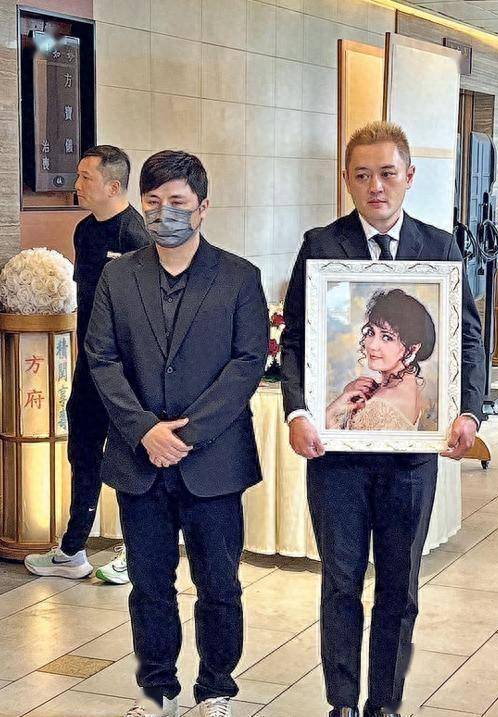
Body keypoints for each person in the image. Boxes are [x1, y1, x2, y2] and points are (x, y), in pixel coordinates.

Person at [281, 121, 485, 717]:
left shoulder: (440, 248)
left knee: (400, 587)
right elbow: (295, 342)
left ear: (409, 177)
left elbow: (468, 342)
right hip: (337, 461)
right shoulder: (320, 244)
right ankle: (342, 703)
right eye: (363, 175)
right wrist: (299, 410)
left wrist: (468, 411)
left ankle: (385, 704)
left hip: (411, 461)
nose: (376, 186)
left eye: (387, 173)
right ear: (347, 179)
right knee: (340, 583)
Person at [84, 150, 268, 717]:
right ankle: (157, 690)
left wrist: (186, 434)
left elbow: (248, 362)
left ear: (203, 208)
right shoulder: (118, 276)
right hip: (139, 461)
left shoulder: (239, 277)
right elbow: (101, 358)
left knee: (219, 587)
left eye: (178, 202)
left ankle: (216, 688)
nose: (165, 213)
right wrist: (144, 430)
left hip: (213, 461)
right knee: (149, 587)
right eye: (154, 202)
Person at [25, 145, 149, 584]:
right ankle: (73, 549)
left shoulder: (136, 235)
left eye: (85, 178)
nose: (76, 185)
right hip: (91, 363)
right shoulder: (84, 231)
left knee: (132, 454)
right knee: (82, 448)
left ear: (113, 187)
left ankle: (138, 552)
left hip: (129, 371)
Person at [326, 289, 436, 431]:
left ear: (412, 348)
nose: (372, 345)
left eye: (386, 337)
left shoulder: (384, 402)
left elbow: (343, 446)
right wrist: (349, 392)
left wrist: (329, 416)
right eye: (371, 332)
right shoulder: (407, 385)